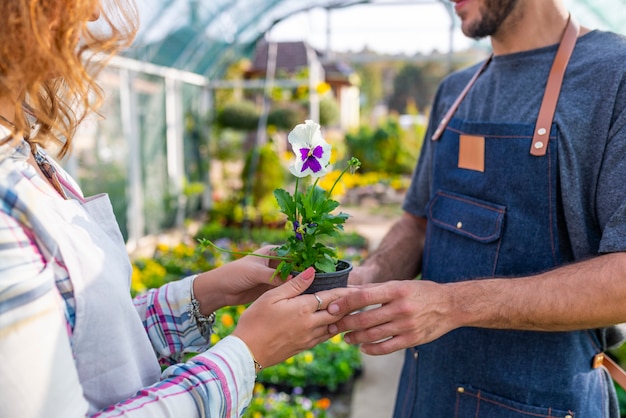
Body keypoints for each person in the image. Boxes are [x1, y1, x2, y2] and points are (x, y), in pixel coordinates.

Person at [0, 1, 354, 417]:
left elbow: (93, 348)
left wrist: (204, 294)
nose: (93, 14)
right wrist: (247, 353)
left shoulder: (28, 159)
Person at [328, 0, 626, 416]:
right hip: (425, 396)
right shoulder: (455, 91)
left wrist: (452, 305)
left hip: (541, 404)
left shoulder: (615, 75)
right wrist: (369, 277)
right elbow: (417, 223)